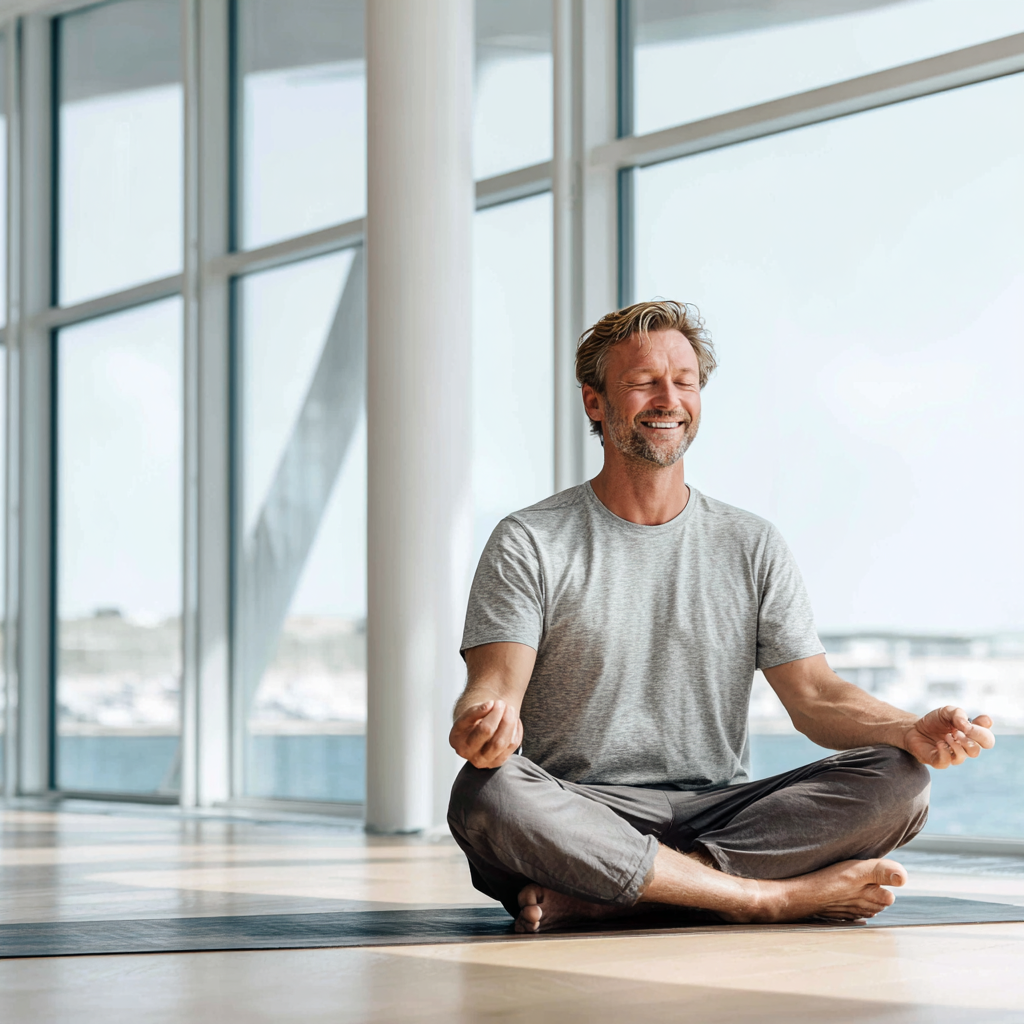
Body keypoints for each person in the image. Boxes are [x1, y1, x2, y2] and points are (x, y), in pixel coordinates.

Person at [446, 300, 995, 934]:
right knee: (488, 793)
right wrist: (484, 720)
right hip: (580, 811)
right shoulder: (530, 540)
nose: (667, 398)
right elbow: (495, 685)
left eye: (684, 381)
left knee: (899, 779)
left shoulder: (751, 543)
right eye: (643, 381)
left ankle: (625, 895)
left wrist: (908, 728)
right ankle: (769, 899)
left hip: (720, 810)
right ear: (595, 403)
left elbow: (814, 696)